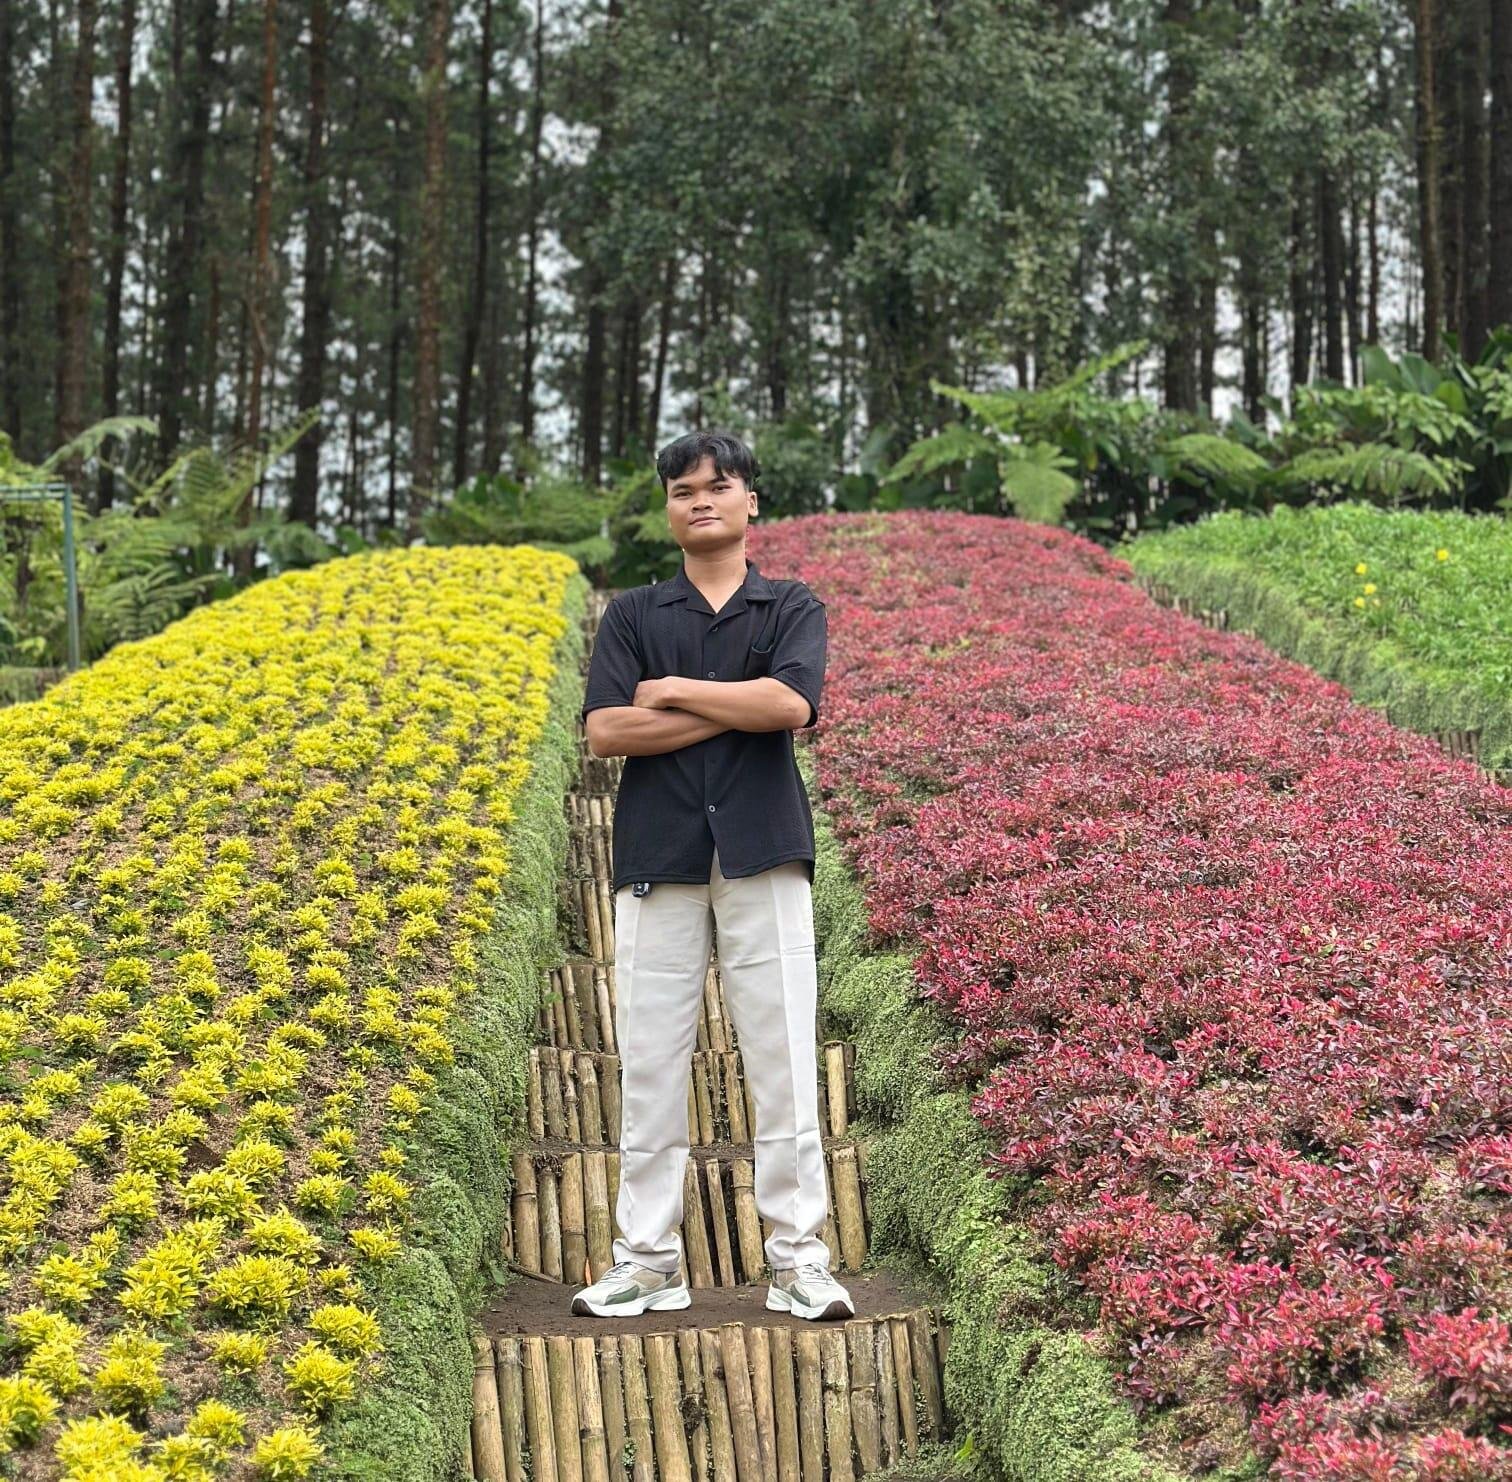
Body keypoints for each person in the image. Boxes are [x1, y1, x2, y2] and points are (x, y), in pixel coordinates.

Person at [571, 429, 853, 1322]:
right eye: (682, 489)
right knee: (650, 1066)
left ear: (751, 501)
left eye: (718, 486)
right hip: (659, 855)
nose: (700, 500)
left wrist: (673, 692)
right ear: (668, 507)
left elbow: (794, 705)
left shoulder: (789, 605)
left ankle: (800, 1260)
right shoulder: (632, 614)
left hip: (765, 853)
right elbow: (607, 733)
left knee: (784, 1065)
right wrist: (738, 707)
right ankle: (648, 1260)